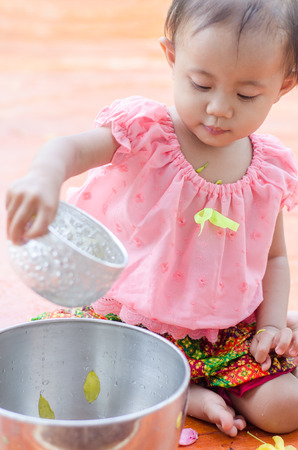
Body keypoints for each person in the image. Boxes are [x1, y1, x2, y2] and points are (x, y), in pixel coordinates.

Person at [6, 0, 298, 438]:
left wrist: (271, 324)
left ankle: (188, 385)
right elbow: (71, 148)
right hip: (131, 320)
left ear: (283, 86)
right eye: (201, 84)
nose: (219, 108)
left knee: (286, 409)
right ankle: (189, 396)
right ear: (173, 59)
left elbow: (274, 258)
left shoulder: (268, 169)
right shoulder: (146, 133)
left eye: (246, 94)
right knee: (72, 372)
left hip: (223, 332)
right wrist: (44, 176)